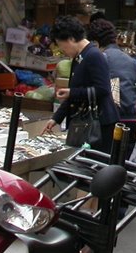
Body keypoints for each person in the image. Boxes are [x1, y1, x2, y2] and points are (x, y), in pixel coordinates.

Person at [45, 17, 119, 152]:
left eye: (61, 44)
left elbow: (103, 89)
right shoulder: (79, 57)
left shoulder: (94, 55)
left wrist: (72, 92)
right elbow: (74, 91)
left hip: (99, 124)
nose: (62, 50)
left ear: (71, 39)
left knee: (94, 166)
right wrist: (56, 118)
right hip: (84, 122)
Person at [88, 18, 136, 160]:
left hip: (110, 119)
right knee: (122, 162)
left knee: (104, 162)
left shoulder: (101, 58)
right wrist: (132, 96)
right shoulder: (129, 59)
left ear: (95, 42)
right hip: (131, 119)